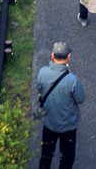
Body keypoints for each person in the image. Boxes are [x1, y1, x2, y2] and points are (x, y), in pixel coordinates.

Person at [37, 41, 86, 169]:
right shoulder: (72, 80)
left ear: (52, 56)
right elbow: (81, 99)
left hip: (49, 122)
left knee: (46, 154)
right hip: (67, 125)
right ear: (69, 57)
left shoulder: (42, 72)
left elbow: (40, 90)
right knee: (67, 157)